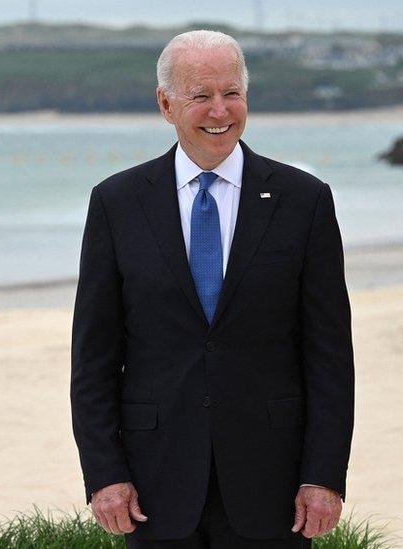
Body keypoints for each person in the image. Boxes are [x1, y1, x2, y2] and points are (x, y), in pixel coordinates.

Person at [70, 30, 353, 548]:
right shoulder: (117, 202)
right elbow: (94, 356)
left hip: (275, 484)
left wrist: (324, 476)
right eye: (200, 95)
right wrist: (104, 474)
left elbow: (330, 353)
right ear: (166, 104)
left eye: (232, 93)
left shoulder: (304, 200)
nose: (220, 110)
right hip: (153, 485)